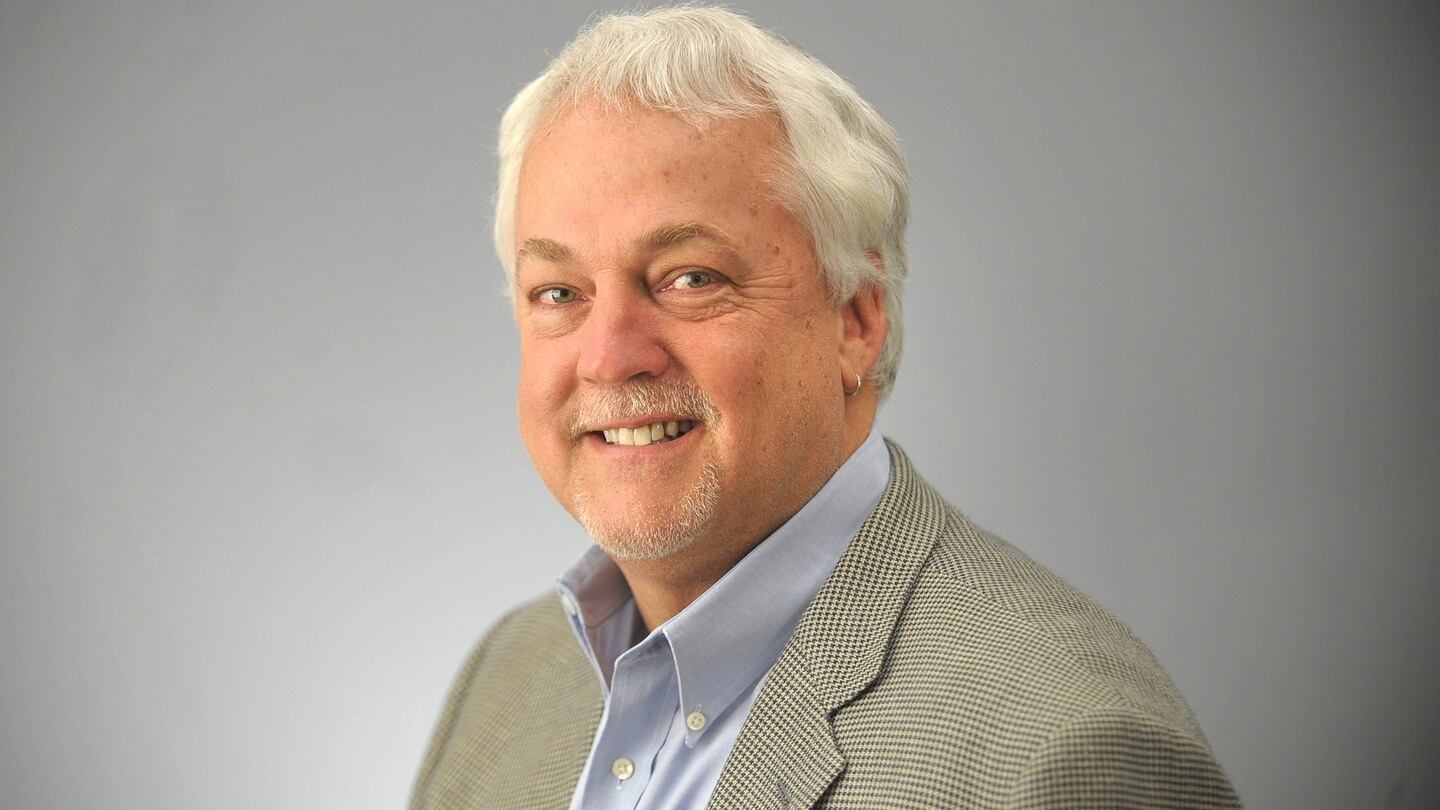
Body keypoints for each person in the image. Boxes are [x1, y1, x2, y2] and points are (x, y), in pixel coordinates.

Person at [411, 6, 1239, 809]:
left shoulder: (1065, 752)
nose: (607, 355)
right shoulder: (505, 684)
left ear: (856, 317)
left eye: (692, 278)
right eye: (560, 292)